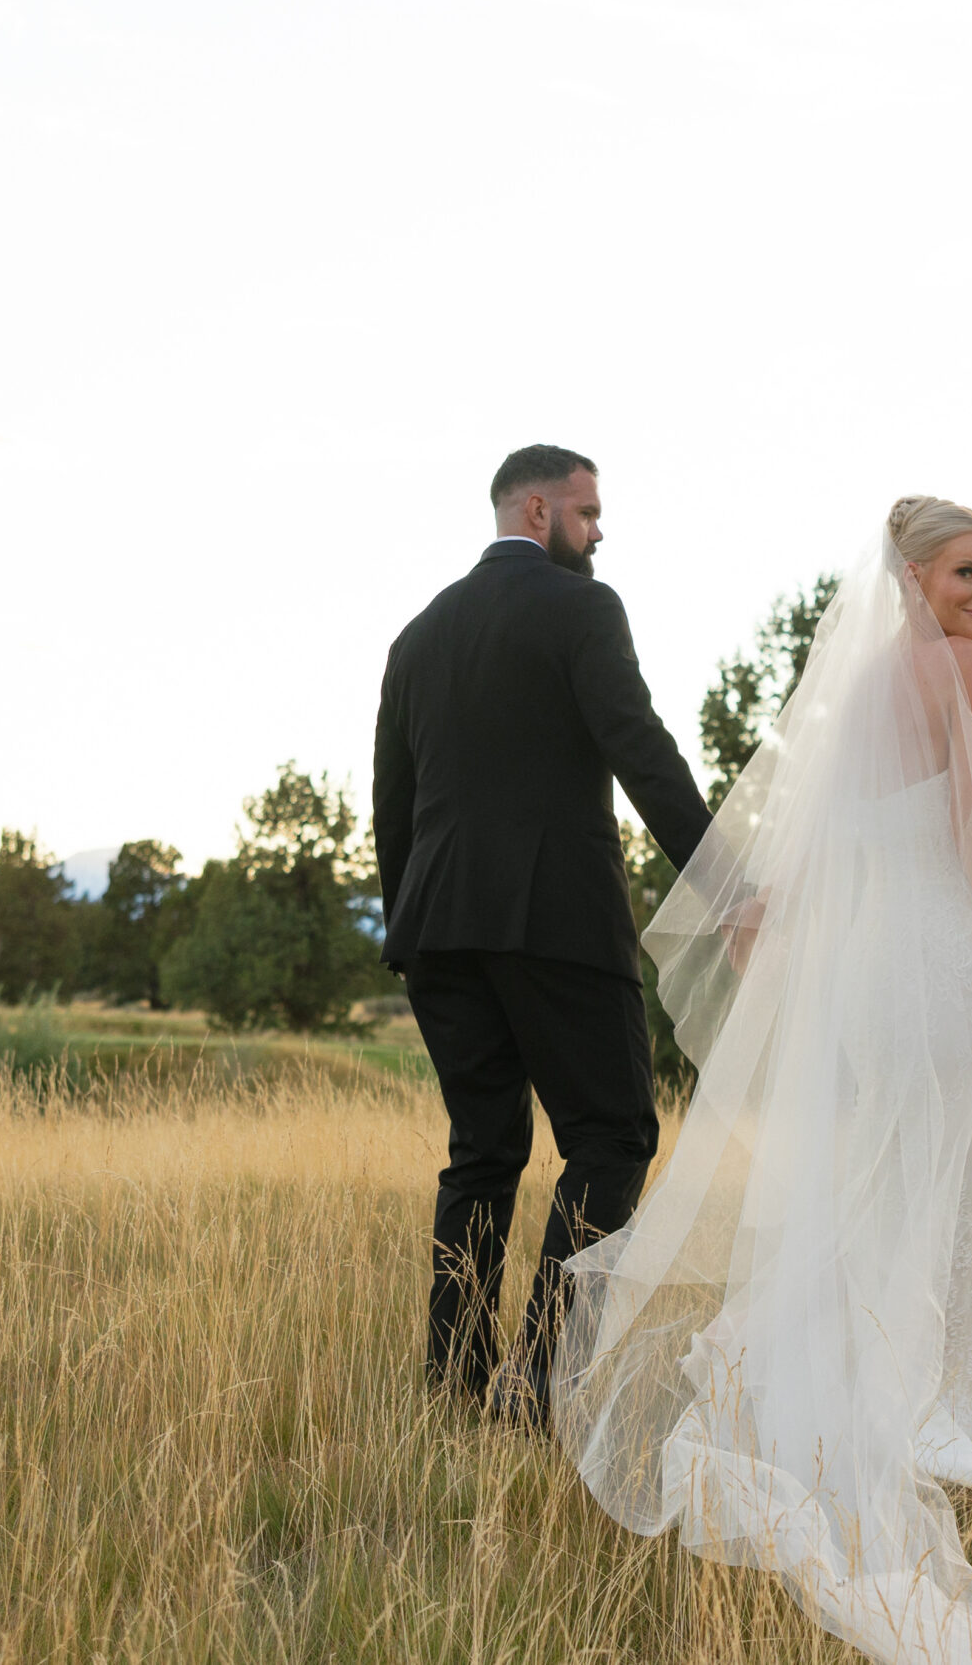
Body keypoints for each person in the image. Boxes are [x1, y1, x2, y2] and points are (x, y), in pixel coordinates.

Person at [552, 496, 972, 1664]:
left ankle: (821, 1395)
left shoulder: (857, 696)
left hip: (864, 969)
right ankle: (920, 1417)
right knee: (938, 1185)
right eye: (966, 573)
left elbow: (822, 838)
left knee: (871, 1182)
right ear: (911, 577)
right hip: (934, 954)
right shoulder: (962, 674)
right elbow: (971, 830)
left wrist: (780, 915)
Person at [372, 444, 713, 1421]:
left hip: (438, 930)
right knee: (612, 1136)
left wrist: (410, 929)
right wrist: (724, 881)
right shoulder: (582, 610)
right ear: (535, 510)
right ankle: (540, 1374)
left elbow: (391, 802)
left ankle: (454, 1381)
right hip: (555, 919)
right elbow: (640, 749)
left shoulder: (419, 634)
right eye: (586, 512)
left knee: (481, 1153)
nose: (598, 531)